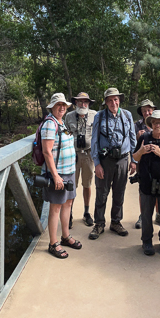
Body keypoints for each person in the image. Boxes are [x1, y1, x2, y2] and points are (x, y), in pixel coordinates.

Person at [88, 87, 137, 240]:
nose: (113, 102)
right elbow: (94, 140)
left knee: (119, 192)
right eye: (110, 100)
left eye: (115, 99)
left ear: (119, 100)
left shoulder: (127, 115)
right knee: (102, 193)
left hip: (123, 159)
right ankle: (99, 223)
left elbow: (133, 138)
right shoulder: (100, 116)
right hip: (105, 160)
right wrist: (97, 164)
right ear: (106, 102)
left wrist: (134, 160)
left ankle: (116, 222)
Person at [41, 93, 82, 259]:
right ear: (52, 107)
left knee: (68, 203)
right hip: (58, 174)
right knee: (56, 206)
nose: (62, 107)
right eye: (59, 105)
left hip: (69, 171)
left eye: (64, 105)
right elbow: (46, 151)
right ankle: (53, 243)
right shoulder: (50, 124)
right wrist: (55, 176)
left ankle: (65, 236)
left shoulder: (61, 123)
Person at [131, 110, 160, 256]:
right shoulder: (144, 137)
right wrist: (142, 151)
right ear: (151, 123)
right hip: (146, 183)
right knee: (146, 214)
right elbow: (134, 157)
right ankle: (147, 241)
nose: (158, 125)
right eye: (155, 122)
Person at [64, 92, 97, 228]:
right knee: (72, 185)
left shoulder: (95, 115)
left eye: (85, 102)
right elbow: (64, 133)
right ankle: (69, 213)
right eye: (80, 102)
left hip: (89, 155)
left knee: (87, 184)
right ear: (75, 103)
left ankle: (86, 212)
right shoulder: (69, 116)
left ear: (88, 104)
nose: (82, 104)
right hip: (73, 154)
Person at [134, 99, 156, 230]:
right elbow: (133, 144)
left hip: (158, 162)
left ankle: (158, 215)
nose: (147, 113)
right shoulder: (137, 125)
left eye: (149, 110)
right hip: (142, 161)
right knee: (142, 189)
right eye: (144, 111)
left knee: (159, 187)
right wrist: (137, 137)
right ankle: (143, 215)